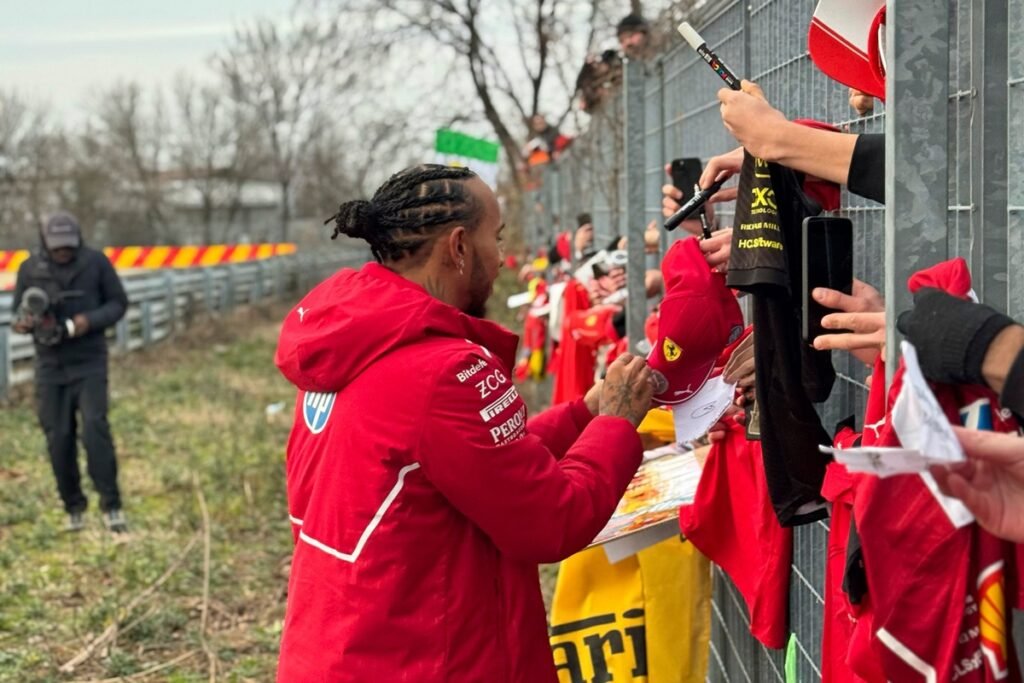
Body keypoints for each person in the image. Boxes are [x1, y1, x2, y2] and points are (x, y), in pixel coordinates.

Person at [273, 164, 654, 682]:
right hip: (424, 661)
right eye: (493, 238)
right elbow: (551, 519)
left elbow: (473, 467)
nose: (500, 257)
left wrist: (582, 413)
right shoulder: (444, 369)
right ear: (458, 247)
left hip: (338, 649)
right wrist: (616, 424)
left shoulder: (348, 341)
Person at [11, 212, 128, 533]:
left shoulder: (96, 263)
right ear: (45, 243)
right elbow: (15, 313)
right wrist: (25, 322)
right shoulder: (30, 269)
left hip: (89, 360)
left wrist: (85, 322)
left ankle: (112, 506)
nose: (63, 251)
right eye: (57, 246)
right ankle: (73, 507)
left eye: (68, 246)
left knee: (95, 431)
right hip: (50, 365)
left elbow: (118, 303)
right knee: (58, 437)